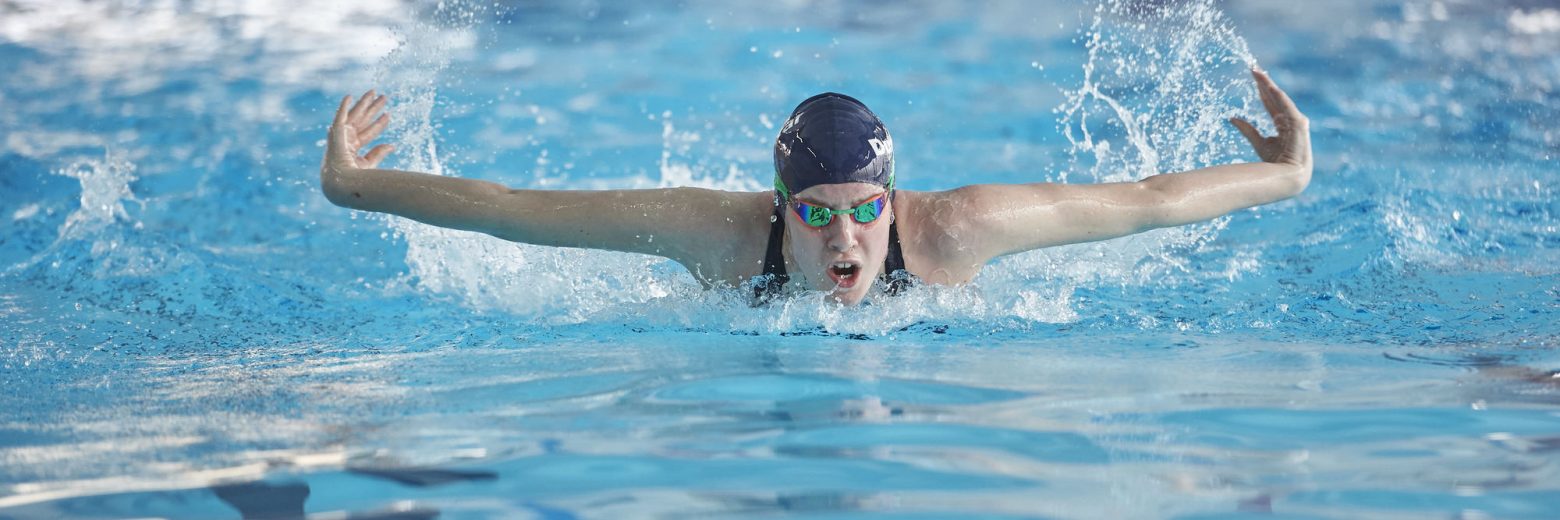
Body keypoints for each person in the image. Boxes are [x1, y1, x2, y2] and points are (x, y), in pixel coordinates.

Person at [320, 69, 1311, 306]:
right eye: (820, 214)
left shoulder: (956, 231)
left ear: (895, 200)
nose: (846, 238)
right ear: (780, 209)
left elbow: (1144, 197)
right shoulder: (716, 234)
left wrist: (1284, 175)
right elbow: (515, 213)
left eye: (865, 210)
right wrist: (353, 190)